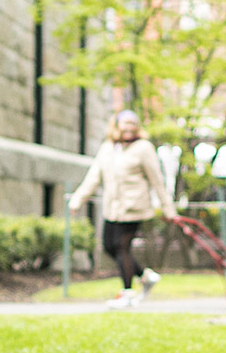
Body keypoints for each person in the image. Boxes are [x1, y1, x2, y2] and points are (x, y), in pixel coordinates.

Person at [68, 109, 172, 308]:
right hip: (112, 208)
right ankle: (144, 275)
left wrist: (168, 209)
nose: (129, 127)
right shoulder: (108, 148)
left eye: (133, 123)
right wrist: (77, 201)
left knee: (122, 247)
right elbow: (94, 176)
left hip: (134, 207)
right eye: (125, 123)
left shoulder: (143, 148)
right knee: (109, 247)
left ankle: (127, 294)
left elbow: (157, 180)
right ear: (116, 125)